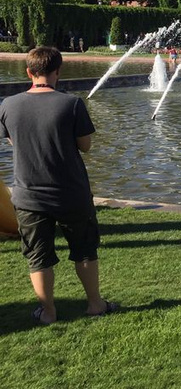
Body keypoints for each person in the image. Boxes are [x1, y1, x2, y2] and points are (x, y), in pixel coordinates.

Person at [0, 47, 117, 324]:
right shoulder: (71, 104)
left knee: (38, 256)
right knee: (84, 249)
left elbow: (12, 140)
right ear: (58, 72)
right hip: (71, 193)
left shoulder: (8, 105)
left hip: (29, 195)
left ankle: (48, 311)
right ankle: (95, 304)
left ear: (29, 72)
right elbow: (86, 146)